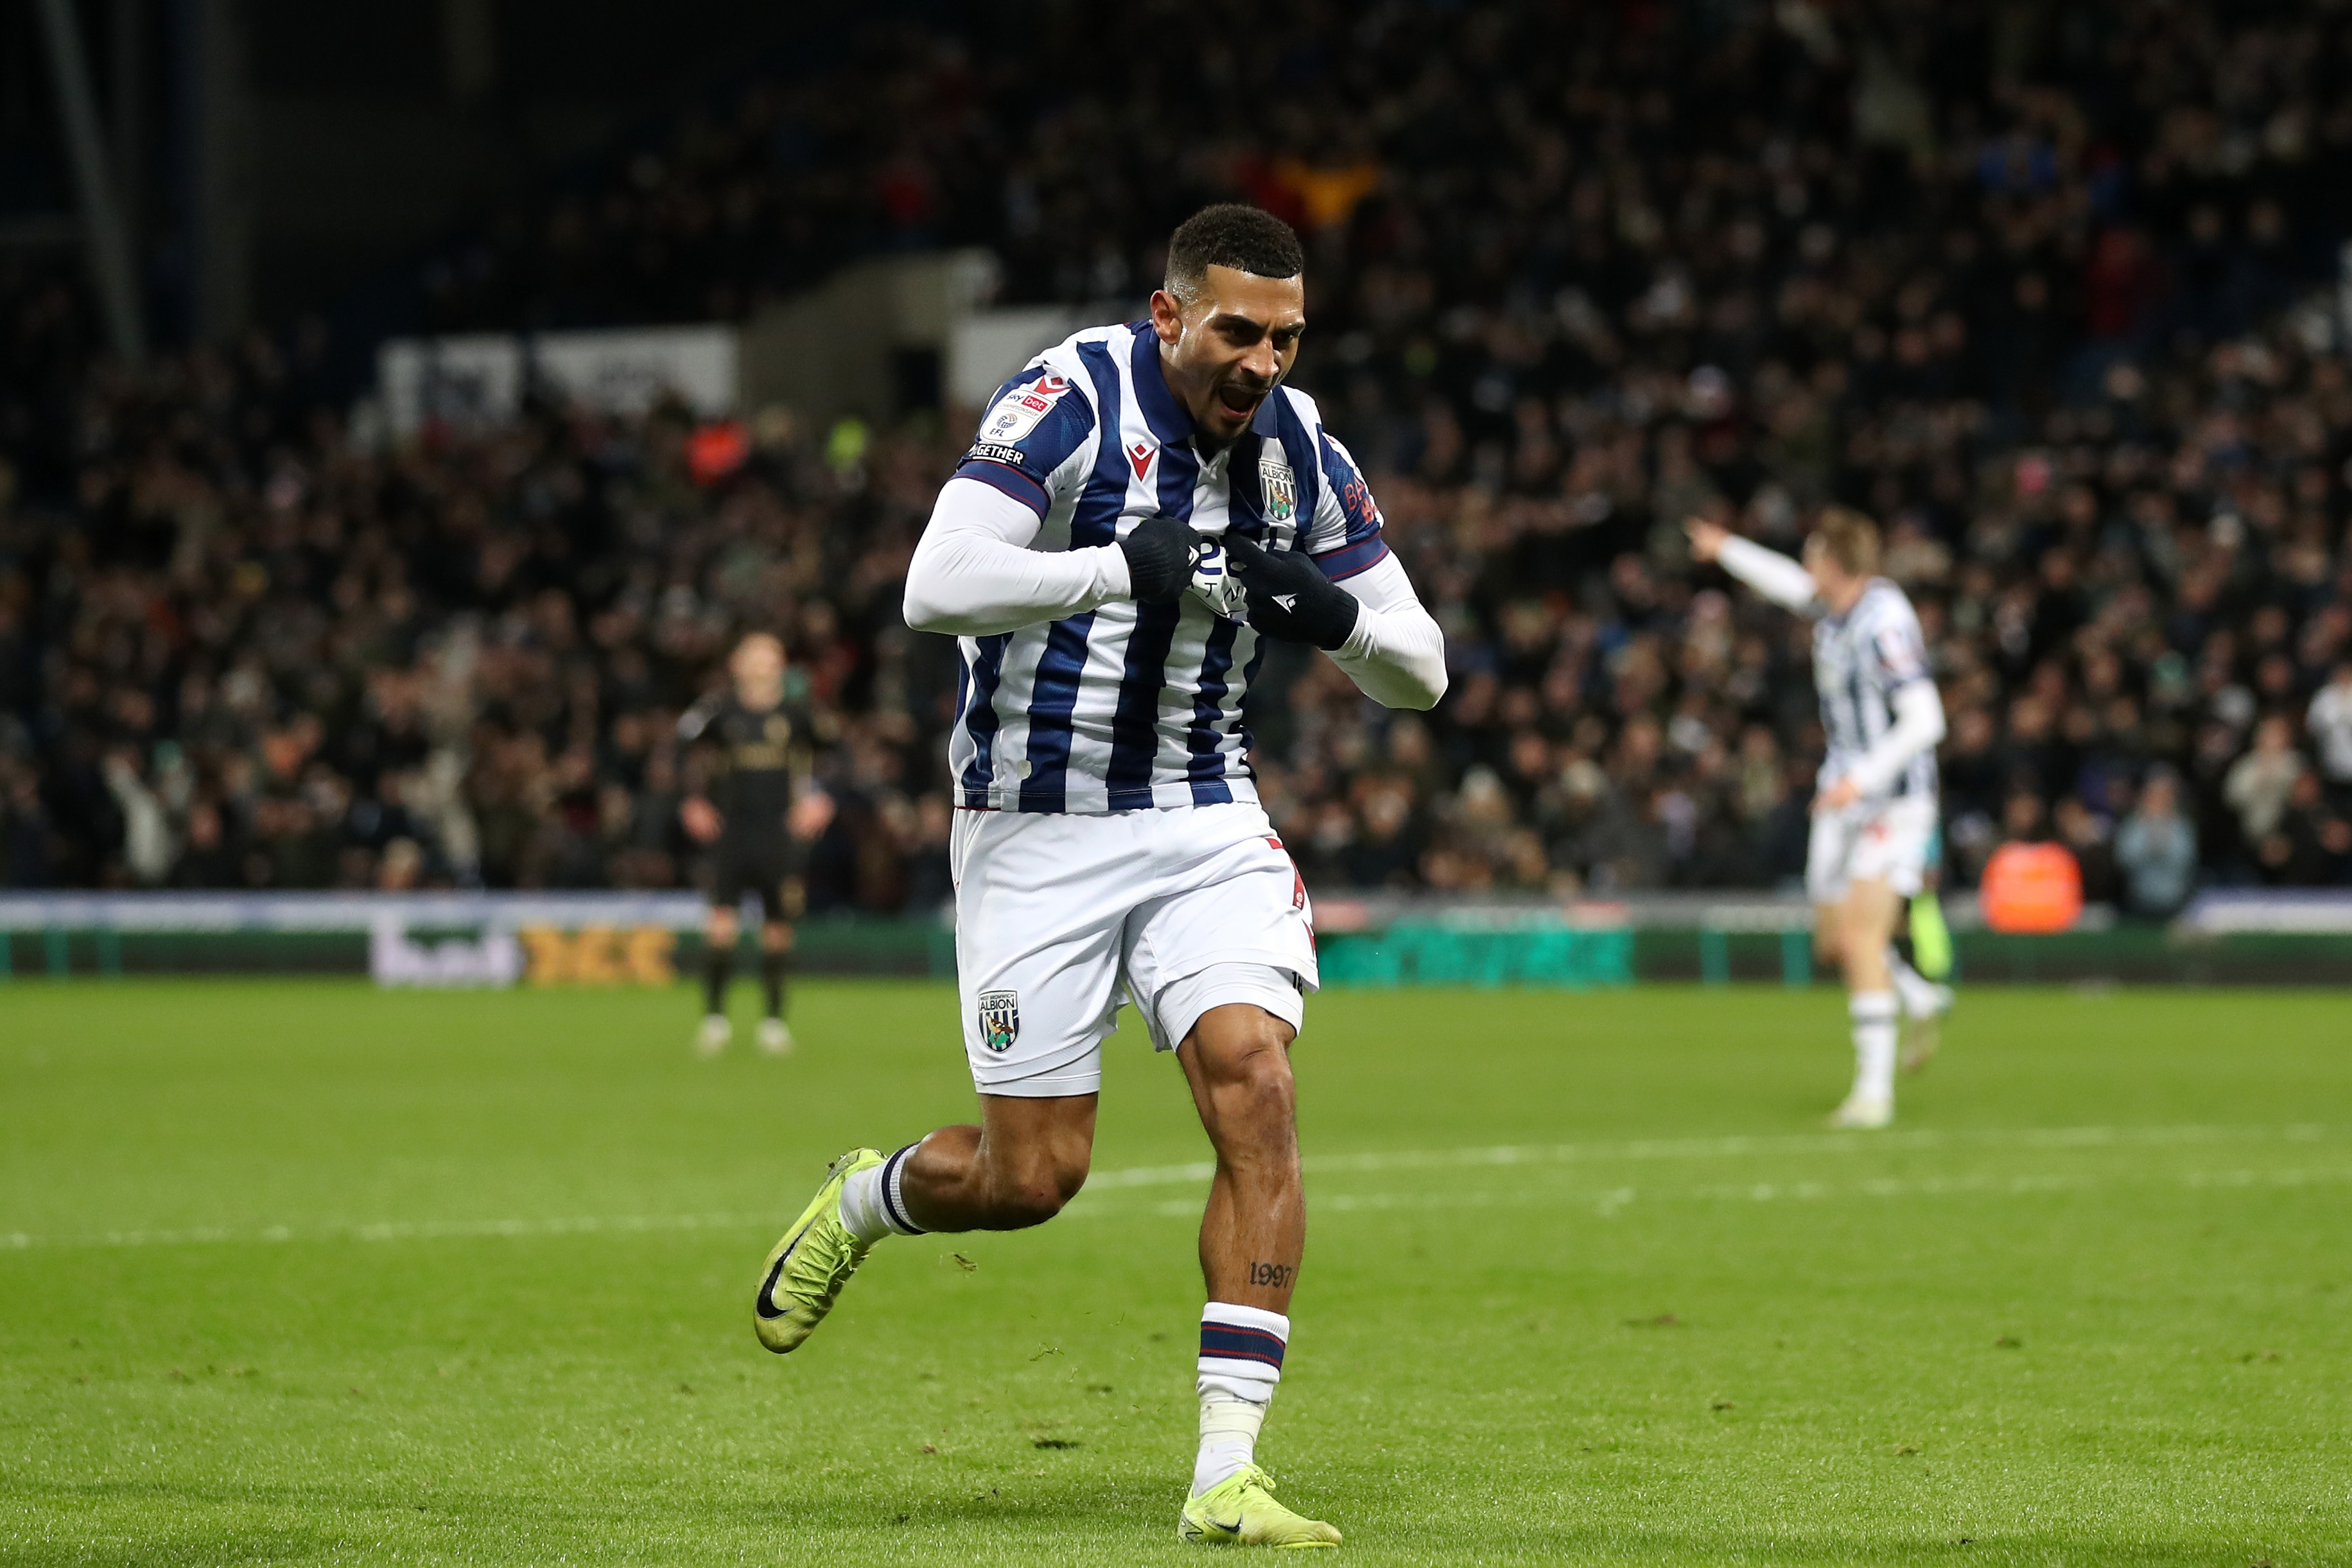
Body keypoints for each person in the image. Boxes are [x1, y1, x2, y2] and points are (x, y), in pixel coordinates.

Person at [749, 204, 1446, 1547]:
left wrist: (1334, 615)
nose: (1263, 363)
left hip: (1200, 814)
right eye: (1237, 330)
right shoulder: (1071, 394)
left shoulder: (1299, 450)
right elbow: (934, 585)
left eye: (1287, 338)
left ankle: (1223, 1474)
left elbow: (1422, 672)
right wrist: (1105, 568)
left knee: (1255, 1078)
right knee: (1032, 1178)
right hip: (1031, 827)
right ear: (1169, 312)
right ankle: (862, 1198)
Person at [1689, 509, 1951, 1129]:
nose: (1805, 565)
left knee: (1860, 938)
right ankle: (1917, 994)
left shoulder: (1883, 624)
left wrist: (1861, 780)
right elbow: (1783, 582)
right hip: (1843, 792)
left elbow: (1925, 719)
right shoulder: (1835, 607)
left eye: (1812, 555)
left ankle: (1872, 1095)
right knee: (1832, 942)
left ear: (1834, 564)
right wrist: (1727, 548)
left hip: (1893, 799)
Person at [677, 633, 831, 1056]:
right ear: (737, 665)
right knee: (721, 927)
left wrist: (818, 797)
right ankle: (715, 1020)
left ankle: (774, 1022)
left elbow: (835, 755)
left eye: (770, 657)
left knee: (777, 931)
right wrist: (693, 802)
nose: (762, 666)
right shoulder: (718, 711)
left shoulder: (798, 715)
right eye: (754, 657)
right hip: (732, 833)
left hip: (778, 834)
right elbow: (681, 751)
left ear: (780, 666)